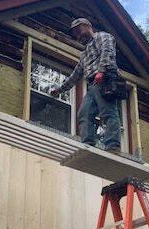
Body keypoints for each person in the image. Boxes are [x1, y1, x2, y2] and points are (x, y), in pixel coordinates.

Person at [51, 18, 121, 154]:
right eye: (76, 34)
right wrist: (60, 90)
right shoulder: (84, 54)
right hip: (93, 84)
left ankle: (113, 146)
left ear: (88, 26)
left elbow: (108, 52)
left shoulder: (102, 36)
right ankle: (88, 144)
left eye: (79, 31)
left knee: (108, 111)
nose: (78, 36)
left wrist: (102, 71)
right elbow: (75, 74)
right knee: (84, 113)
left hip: (106, 78)